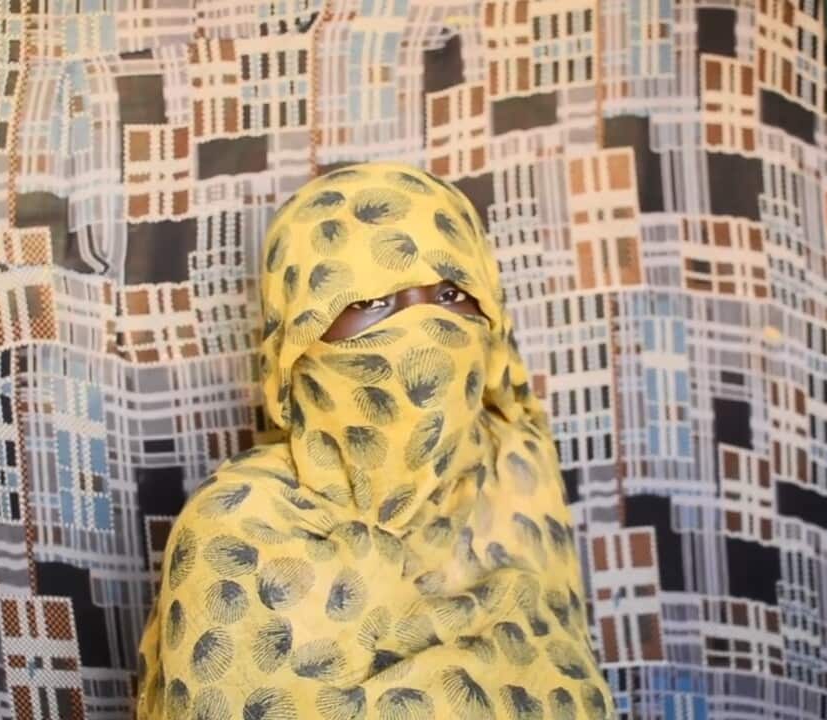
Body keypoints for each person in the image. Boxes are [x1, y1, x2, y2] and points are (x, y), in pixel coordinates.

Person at [136, 162, 615, 719]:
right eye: (368, 303)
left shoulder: (517, 480)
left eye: (453, 293)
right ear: (295, 339)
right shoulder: (240, 529)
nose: (424, 328)